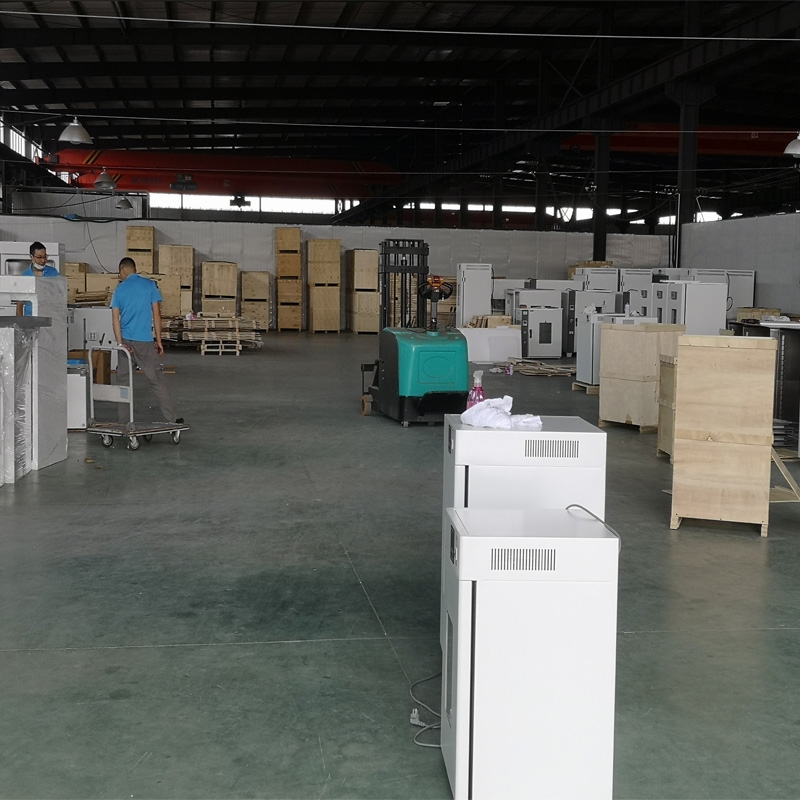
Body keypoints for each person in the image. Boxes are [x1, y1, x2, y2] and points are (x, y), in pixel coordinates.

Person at [111, 256, 181, 424]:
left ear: (123, 269)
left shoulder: (119, 289)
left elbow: (115, 320)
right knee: (156, 380)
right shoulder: (150, 285)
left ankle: (124, 422)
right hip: (145, 342)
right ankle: (170, 420)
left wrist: (120, 344)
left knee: (123, 383)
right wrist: (159, 341)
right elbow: (157, 315)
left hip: (126, 342)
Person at [16, 241, 60, 315]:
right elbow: (19, 304)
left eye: (45, 256)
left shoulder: (53, 273)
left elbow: (60, 298)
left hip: (49, 318)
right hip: (30, 319)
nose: (43, 260)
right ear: (31, 257)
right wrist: (20, 321)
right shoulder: (25, 276)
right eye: (39, 257)